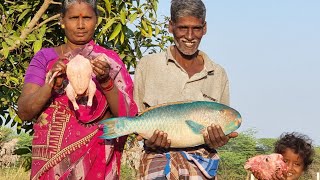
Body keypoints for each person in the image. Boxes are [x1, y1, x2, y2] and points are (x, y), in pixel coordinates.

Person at [17, 0, 137, 179]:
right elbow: (24, 111)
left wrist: (105, 81)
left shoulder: (109, 61)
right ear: (62, 21)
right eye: (73, 18)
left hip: (98, 163)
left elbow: (128, 118)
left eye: (87, 18)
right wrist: (51, 84)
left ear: (96, 20)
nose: (80, 25)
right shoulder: (45, 58)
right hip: (52, 167)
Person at [133, 0, 238, 179]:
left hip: (202, 168)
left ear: (204, 28)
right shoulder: (148, 65)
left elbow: (221, 132)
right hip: (157, 164)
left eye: (196, 28)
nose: (190, 36)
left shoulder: (217, 74)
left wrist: (220, 139)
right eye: (182, 28)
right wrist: (150, 139)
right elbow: (137, 117)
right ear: (171, 27)